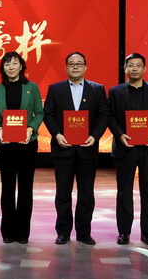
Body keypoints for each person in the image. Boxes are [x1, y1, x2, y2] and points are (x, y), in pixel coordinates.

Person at [42, 51, 110, 245]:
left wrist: (94, 136)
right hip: (63, 149)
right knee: (63, 193)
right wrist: (57, 134)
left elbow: (104, 116)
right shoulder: (55, 89)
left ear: (85, 67)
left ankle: (84, 233)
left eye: (79, 63)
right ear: (66, 67)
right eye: (71, 64)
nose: (75, 67)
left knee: (86, 193)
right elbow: (49, 115)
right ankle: (63, 232)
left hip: (87, 149)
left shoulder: (97, 89)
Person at [107, 53, 148, 246]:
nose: (134, 69)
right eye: (130, 65)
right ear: (125, 68)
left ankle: (147, 233)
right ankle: (124, 232)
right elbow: (110, 117)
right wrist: (120, 135)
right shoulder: (115, 91)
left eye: (138, 65)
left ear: (144, 68)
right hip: (125, 146)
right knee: (124, 191)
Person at [0, 51, 44, 244]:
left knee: (25, 189)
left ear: (21, 66)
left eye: (14, 63)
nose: (11, 67)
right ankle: (7, 231)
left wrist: (31, 128)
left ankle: (23, 233)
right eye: (7, 64)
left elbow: (39, 112)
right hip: (6, 145)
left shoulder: (32, 87)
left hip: (27, 145)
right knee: (7, 189)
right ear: (3, 68)